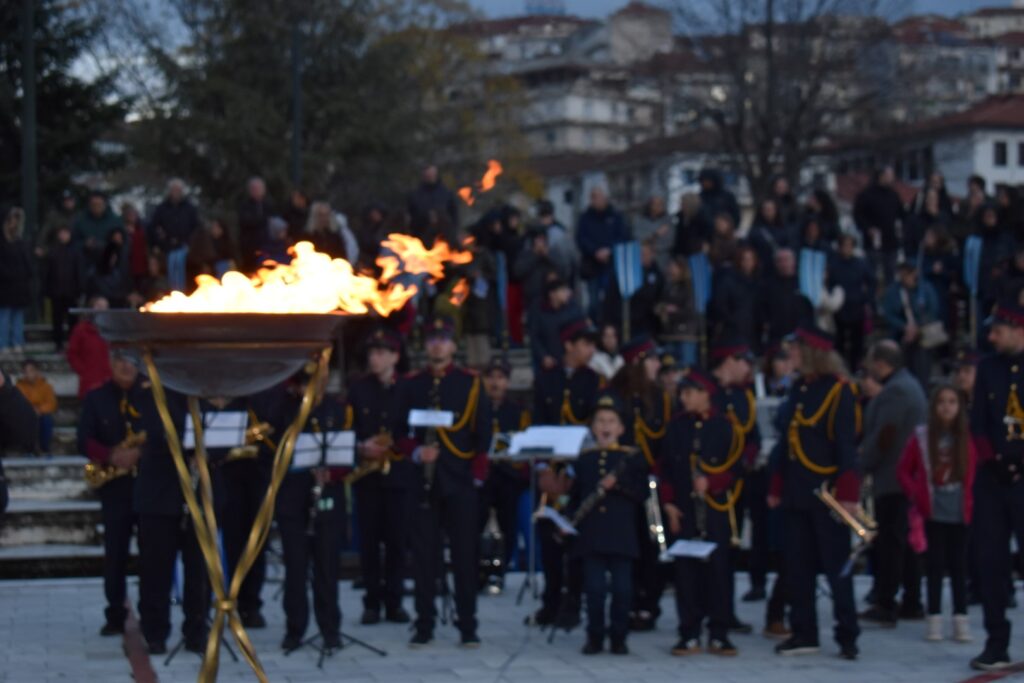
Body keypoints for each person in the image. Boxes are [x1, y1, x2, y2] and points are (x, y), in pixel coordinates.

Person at [768, 325, 861, 660]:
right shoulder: (799, 388)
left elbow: (847, 446)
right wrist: (777, 485)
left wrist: (849, 494)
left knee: (837, 569)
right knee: (798, 567)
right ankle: (804, 631)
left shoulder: (839, 391)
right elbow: (787, 443)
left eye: (796, 349)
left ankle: (847, 634)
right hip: (797, 491)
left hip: (827, 493)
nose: (790, 355)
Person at [395, 317, 484, 647]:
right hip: (423, 481)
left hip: (458, 480)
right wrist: (417, 452)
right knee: (424, 558)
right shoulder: (412, 384)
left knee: (464, 556)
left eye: (443, 339)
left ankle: (468, 625)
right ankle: (424, 624)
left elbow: (482, 433)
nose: (437, 345)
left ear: (454, 346)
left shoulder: (469, 383)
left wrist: (476, 477)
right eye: (432, 339)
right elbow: (398, 432)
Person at [662, 368, 742, 656]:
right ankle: (689, 630)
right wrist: (669, 503)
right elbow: (665, 467)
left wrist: (713, 482)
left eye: (689, 393)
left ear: (705, 394)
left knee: (718, 571)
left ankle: (719, 631)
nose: (683, 399)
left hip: (715, 508)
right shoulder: (676, 426)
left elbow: (736, 467)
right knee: (686, 572)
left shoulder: (724, 426)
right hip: (684, 508)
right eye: (682, 393)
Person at [531, 315, 602, 626]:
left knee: (576, 538)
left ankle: (573, 603)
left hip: (578, 470)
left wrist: (573, 473)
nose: (590, 350)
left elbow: (594, 429)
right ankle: (550, 601)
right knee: (548, 538)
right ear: (569, 345)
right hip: (550, 469)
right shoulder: (546, 379)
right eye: (585, 343)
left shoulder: (594, 381)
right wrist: (543, 469)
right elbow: (537, 424)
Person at [966, 302, 1024, 670]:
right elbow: (979, 423)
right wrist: (996, 461)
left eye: (998, 331)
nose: (991, 338)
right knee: (990, 562)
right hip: (993, 479)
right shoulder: (988, 368)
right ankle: (996, 641)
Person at [133, 371, 208, 655]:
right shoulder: (150, 387)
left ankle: (197, 630)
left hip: (197, 492)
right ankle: (155, 632)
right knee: (156, 569)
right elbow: (155, 430)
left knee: (198, 569)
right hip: (159, 492)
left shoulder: (203, 387)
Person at [569, 393, 647, 655]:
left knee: (623, 590)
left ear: (621, 429)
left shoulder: (632, 458)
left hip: (621, 533)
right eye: (600, 421)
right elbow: (576, 495)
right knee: (594, 590)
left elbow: (641, 494)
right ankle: (594, 636)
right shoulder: (584, 458)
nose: (605, 426)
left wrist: (619, 485)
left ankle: (618, 636)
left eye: (611, 421)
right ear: (593, 427)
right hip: (592, 534)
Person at [898, 383, 977, 643]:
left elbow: (976, 472)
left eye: (952, 402)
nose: (947, 407)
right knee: (934, 566)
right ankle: (934, 617)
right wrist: (916, 494)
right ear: (934, 406)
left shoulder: (967, 437)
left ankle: (960, 618)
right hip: (932, 510)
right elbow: (903, 470)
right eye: (942, 401)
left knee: (959, 566)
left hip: (960, 510)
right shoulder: (922, 436)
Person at [276, 378, 350, 652]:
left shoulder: (337, 409)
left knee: (327, 566)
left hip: (327, 494)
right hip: (292, 496)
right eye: (304, 382)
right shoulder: (285, 408)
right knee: (295, 567)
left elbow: (347, 450)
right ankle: (294, 629)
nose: (309, 387)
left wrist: (333, 472)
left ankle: (330, 628)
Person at [859, 341, 928, 626]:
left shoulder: (896, 391)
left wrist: (860, 465)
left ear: (880, 363)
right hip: (905, 478)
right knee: (904, 542)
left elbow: (884, 436)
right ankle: (911, 600)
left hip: (894, 478)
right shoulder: (909, 384)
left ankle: (887, 601)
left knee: (891, 542)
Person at [347, 328, 413, 625]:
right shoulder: (358, 388)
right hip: (368, 475)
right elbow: (349, 425)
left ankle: (395, 600)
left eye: (381, 353)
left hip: (397, 474)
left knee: (397, 540)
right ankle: (372, 601)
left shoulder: (407, 388)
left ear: (394, 357)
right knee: (370, 541)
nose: (374, 358)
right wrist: (362, 446)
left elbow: (412, 429)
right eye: (372, 353)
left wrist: (393, 446)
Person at [77, 352, 144, 636]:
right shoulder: (97, 398)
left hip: (150, 485)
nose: (126, 366)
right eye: (120, 361)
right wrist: (110, 455)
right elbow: (83, 440)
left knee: (153, 553)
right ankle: (115, 614)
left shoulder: (152, 395)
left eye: (131, 361)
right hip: (114, 486)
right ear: (111, 364)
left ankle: (153, 614)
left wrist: (139, 452)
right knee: (115, 553)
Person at [709, 341, 760, 623]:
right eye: (744, 361)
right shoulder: (707, 392)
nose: (748, 368)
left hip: (737, 483)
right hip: (710, 483)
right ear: (729, 360)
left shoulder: (744, 395)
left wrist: (746, 458)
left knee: (731, 546)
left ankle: (726, 612)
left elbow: (752, 435)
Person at [476, 357, 529, 593]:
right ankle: (477, 571)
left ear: (507, 381)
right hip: (482, 476)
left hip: (508, 476)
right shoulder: (477, 407)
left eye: (500, 377)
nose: (495, 382)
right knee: (475, 524)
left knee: (508, 525)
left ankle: (502, 570)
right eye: (490, 377)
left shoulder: (518, 411)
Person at [881, 262, 941, 389]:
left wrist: (918, 327)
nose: (906, 277)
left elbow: (933, 310)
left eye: (909, 273)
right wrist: (904, 327)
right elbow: (889, 314)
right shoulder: (893, 291)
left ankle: (922, 387)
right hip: (901, 333)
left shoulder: (925, 288)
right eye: (904, 274)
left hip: (923, 333)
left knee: (922, 359)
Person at [576, 187, 630, 321]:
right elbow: (581, 239)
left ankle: (609, 326)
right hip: (592, 266)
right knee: (593, 302)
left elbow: (623, 236)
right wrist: (595, 251)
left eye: (600, 197)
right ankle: (594, 325)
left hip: (611, 265)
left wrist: (609, 250)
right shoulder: (585, 218)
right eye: (594, 198)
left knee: (610, 299)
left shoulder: (616, 216)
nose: (598, 201)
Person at [829, 234, 874, 371]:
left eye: (849, 246)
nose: (846, 249)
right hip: (839, 308)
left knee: (857, 341)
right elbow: (830, 284)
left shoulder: (860, 263)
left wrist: (866, 299)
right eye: (844, 245)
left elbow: (871, 282)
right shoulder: (834, 264)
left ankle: (855, 368)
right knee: (839, 341)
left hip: (857, 307)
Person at [853, 166, 905, 285]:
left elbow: (901, 215)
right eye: (889, 176)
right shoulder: (866, 195)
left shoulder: (893, 195)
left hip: (891, 243)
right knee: (872, 274)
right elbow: (858, 215)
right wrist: (867, 229)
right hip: (873, 243)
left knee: (890, 275)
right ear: (881, 176)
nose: (891, 179)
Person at [529, 278, 583, 373]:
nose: (567, 293)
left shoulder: (573, 310)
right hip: (548, 363)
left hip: (569, 363)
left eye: (567, 290)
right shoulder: (539, 311)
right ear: (552, 294)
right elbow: (534, 337)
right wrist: (543, 356)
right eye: (563, 290)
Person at [656, 256, 700, 367]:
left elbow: (691, 310)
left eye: (673, 266)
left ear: (681, 269)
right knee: (669, 367)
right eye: (670, 266)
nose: (670, 269)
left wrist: (675, 311)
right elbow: (661, 303)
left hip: (685, 335)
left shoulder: (689, 287)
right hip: (669, 334)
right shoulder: (667, 287)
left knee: (685, 367)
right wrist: (662, 308)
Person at [0, 207, 33, 355]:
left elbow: (28, 264)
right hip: (5, 286)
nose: (13, 224)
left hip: (19, 287)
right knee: (4, 317)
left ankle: (17, 343)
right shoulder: (2, 243)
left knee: (17, 317)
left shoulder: (21, 243)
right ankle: (3, 344)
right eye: (11, 220)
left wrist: (26, 276)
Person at [67, 297, 112, 400]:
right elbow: (72, 354)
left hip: (109, 380)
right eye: (99, 306)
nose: (102, 310)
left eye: (105, 307)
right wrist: (84, 371)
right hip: (90, 381)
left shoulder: (112, 331)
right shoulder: (81, 330)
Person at [407, 164, 459, 246]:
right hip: (422, 237)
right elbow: (411, 217)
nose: (430, 177)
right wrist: (426, 217)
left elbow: (454, 215)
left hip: (445, 238)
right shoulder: (415, 195)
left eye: (431, 174)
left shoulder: (447, 193)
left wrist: (454, 232)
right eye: (427, 175)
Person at [16, 359, 57, 455]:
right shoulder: (19, 386)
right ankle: (27, 449)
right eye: (25, 371)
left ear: (37, 371)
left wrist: (39, 410)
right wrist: (30, 410)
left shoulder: (46, 386)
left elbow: (51, 403)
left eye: (31, 371)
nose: (28, 374)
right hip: (25, 415)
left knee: (46, 419)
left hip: (41, 414)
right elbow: (18, 403)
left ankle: (45, 448)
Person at [73, 191, 123, 268]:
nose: (96, 207)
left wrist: (115, 250)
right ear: (89, 205)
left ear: (105, 204)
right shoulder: (80, 221)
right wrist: (84, 244)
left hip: (110, 264)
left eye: (99, 204)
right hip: (86, 264)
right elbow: (73, 242)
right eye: (93, 204)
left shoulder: (115, 221)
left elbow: (124, 242)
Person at [238, 177, 274, 272]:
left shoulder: (268, 204)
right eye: (254, 189)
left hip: (267, 246)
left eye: (259, 188)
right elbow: (246, 222)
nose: (257, 191)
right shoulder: (245, 206)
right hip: (250, 247)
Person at [633, 196, 675, 271]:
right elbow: (639, 238)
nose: (658, 207)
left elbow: (670, 241)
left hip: (662, 259)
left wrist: (654, 248)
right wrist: (656, 234)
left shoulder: (668, 221)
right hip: (644, 259)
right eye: (655, 204)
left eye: (660, 204)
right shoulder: (641, 220)